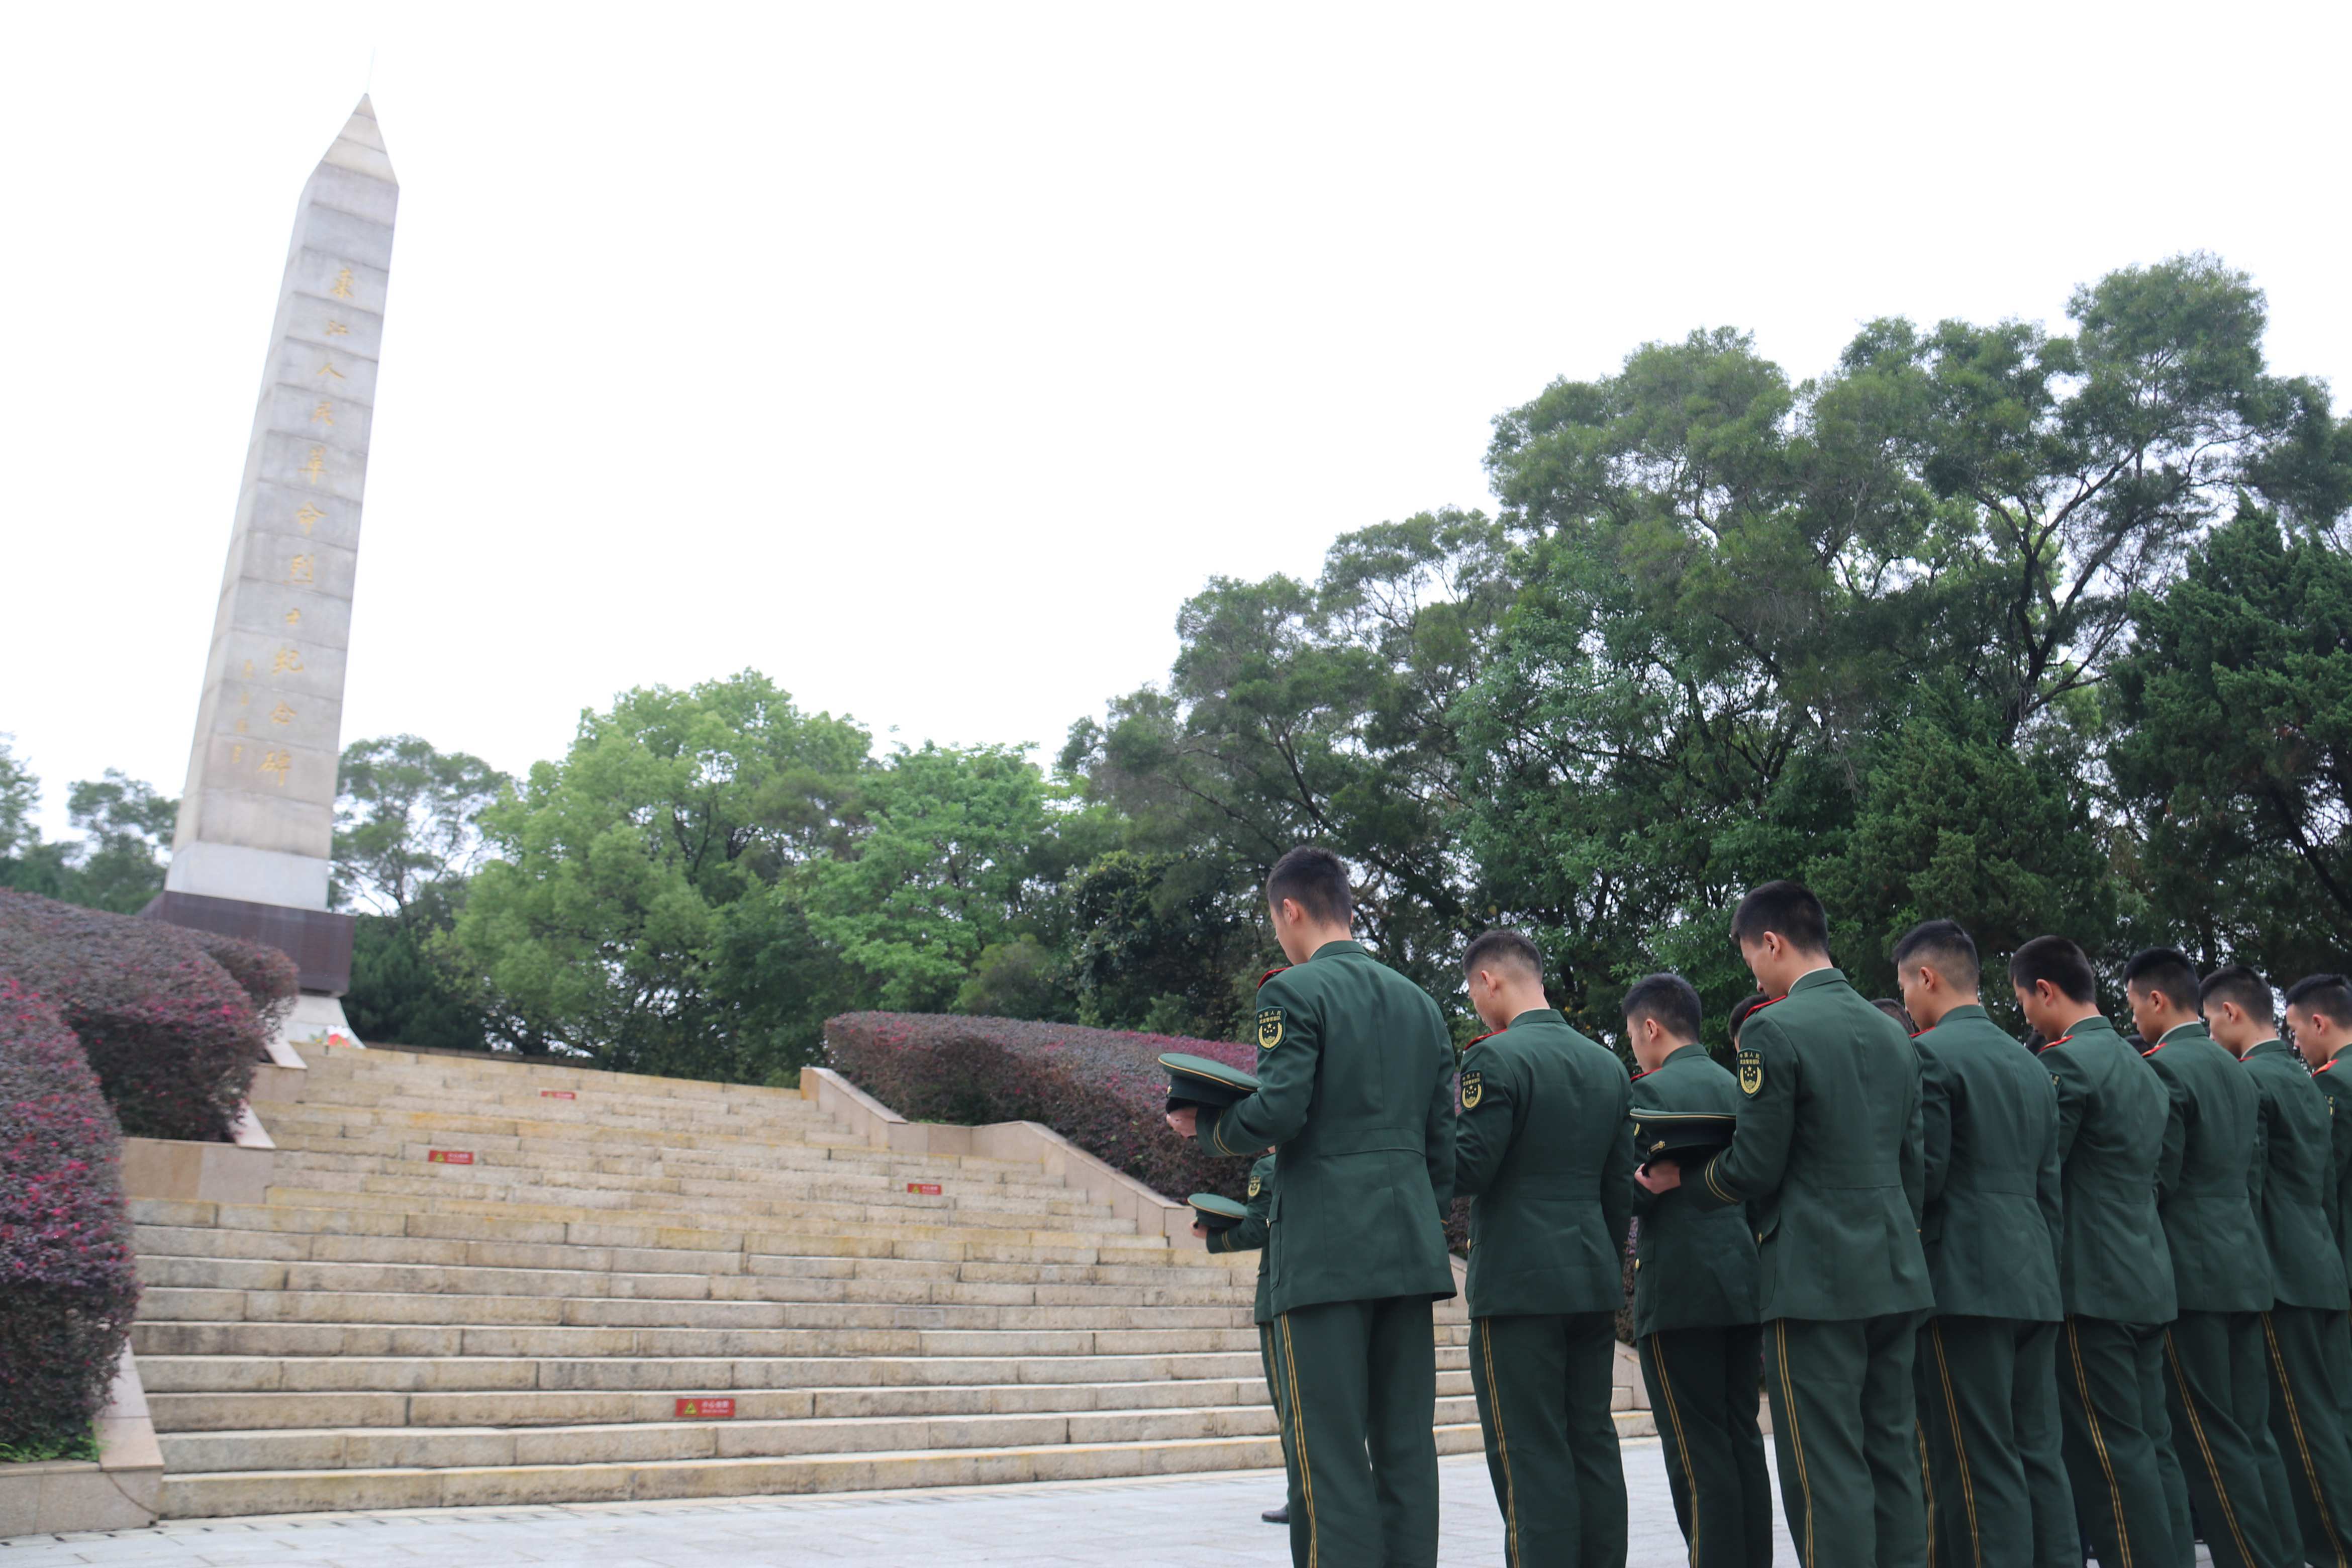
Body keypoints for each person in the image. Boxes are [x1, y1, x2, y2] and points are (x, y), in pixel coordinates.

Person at [1167, 845, 1458, 1568]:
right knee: (1405, 1448)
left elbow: (1279, 1110)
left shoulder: (1293, 993)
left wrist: (1207, 1128)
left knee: (1327, 1451)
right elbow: (1442, 1148)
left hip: (1326, 1254)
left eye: (1275, 921)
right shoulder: (1421, 1005)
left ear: (1290, 910)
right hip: (1408, 1253)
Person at [1638, 879, 1934, 1568]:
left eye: (1750, 956)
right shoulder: (1893, 1033)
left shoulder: (1774, 1029)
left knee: (1825, 1470)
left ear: (1771, 943)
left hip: (1813, 1280)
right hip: (1895, 1272)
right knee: (1892, 1457)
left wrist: (1691, 1181)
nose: (1753, 974)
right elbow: (1913, 1165)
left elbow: (1755, 1164)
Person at [1449, 929, 1633, 1568]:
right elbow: (1618, 1191)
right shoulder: (1607, 1065)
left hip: (1518, 1288)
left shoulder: (1495, 1060)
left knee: (1529, 1452)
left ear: (1489, 981)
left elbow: (1469, 1168)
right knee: (1592, 1443)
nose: (1477, 1006)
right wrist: (1602, 1267)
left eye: (1472, 992)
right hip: (1590, 1281)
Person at [1894, 920, 2074, 1568]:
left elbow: (1925, 1175)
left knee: (1975, 1460)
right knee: (2038, 1453)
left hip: (1963, 1281)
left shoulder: (1929, 1056)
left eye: (1904, 987)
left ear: (1926, 978)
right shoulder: (2032, 1064)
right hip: (2033, 1280)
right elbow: (2049, 1190)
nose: (1906, 1003)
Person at [2011, 935, 2189, 1568]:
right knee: (2154, 1444)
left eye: (2023, 1001)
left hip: (2090, 1284)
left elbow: (2039, 1171)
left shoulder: (2067, 1065)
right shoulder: (2142, 1064)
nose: (2027, 1016)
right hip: (2147, 1274)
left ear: (2046, 990)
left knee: (2110, 1454)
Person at [2125, 945, 2293, 1568]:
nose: (2134, 1019)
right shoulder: (2238, 1070)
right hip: (2245, 1265)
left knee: (2207, 1437)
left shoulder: (2165, 1070)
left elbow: (2158, 1178)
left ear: (2156, 999)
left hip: (2191, 1272)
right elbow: (2252, 1175)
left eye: (2133, 1006)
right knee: (2254, 1433)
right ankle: (2280, 1555)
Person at [2204, 962, 2352, 1565]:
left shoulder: (2254, 1081)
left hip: (2280, 1270)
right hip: (2320, 1262)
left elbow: (2251, 1183)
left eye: (2210, 1021)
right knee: (2329, 1417)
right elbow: (2326, 1186)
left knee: (2303, 1429)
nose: (2210, 1034)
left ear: (2230, 1013)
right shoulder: (2302, 1079)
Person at [1623, 970, 1772, 1568]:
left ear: (1650, 1028)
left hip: (1678, 1289)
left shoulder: (1648, 1094)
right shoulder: (1738, 1087)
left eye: (1632, 1037)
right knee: (1742, 1440)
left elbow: (1626, 1190)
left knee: (1696, 1451)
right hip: (1742, 1284)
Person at [1199, 1147, 1290, 1527]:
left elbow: (1256, 1228)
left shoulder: (1269, 1167)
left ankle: (1304, 1495)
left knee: (1290, 1406)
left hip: (1278, 1296)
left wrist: (1213, 1237)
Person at [2287, 973, 2352, 1268]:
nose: (2296, 1044)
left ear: (2318, 1024)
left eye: (2294, 1031)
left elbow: (2324, 1173)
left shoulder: (2332, 1082)